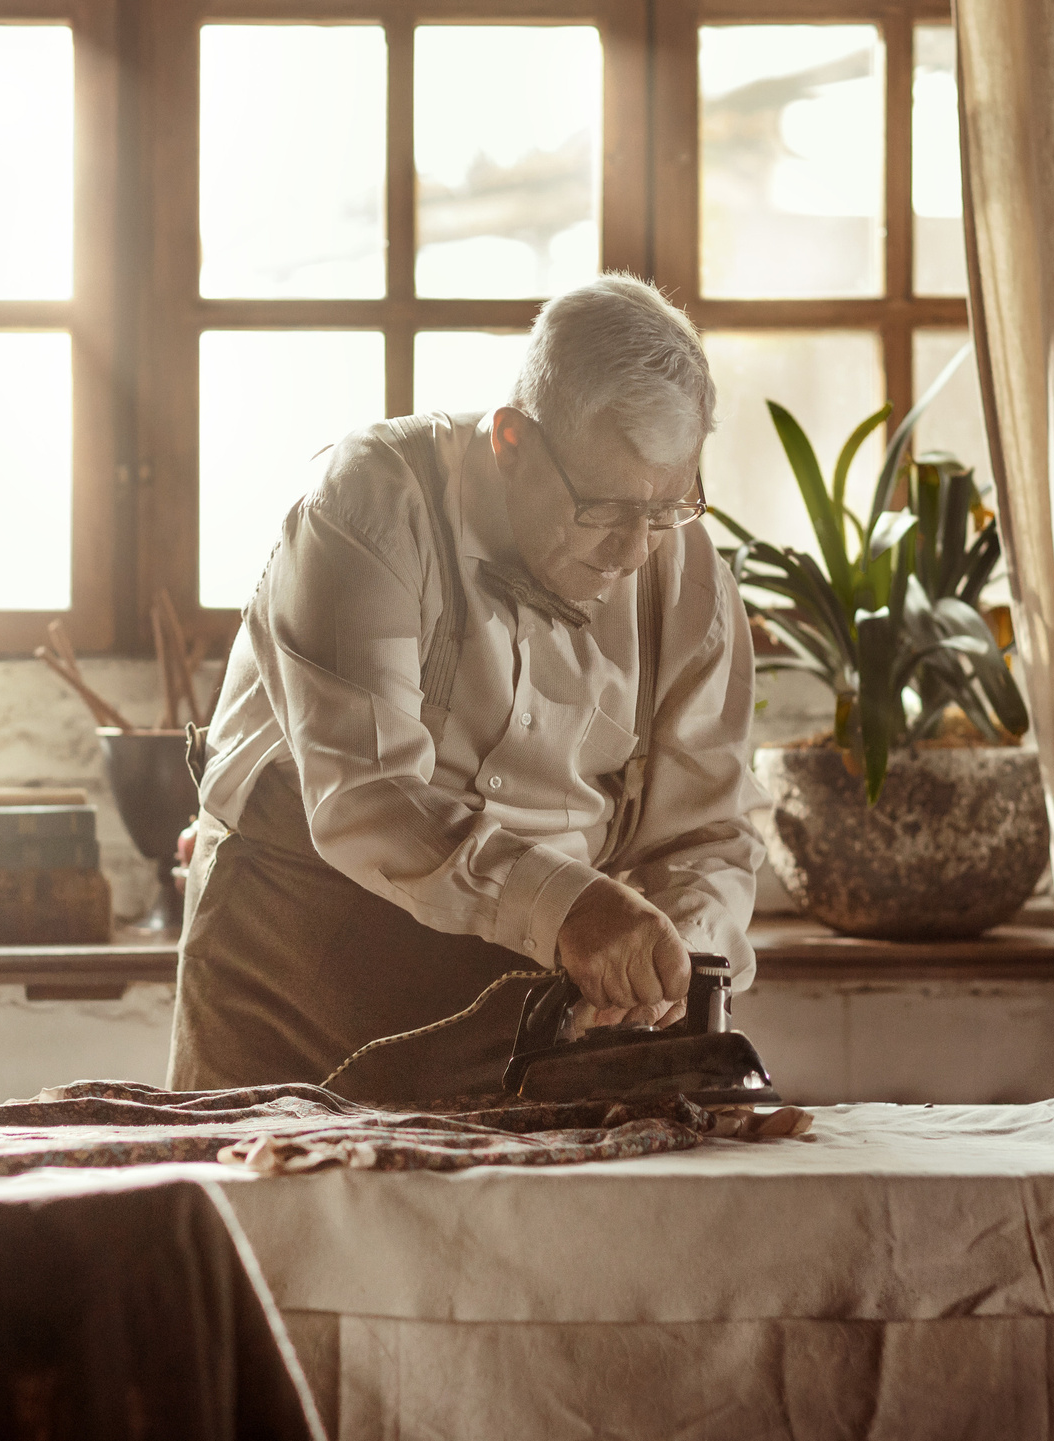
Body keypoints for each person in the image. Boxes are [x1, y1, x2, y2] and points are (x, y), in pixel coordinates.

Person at [169, 275, 765, 1099]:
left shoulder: (690, 586)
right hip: (293, 955)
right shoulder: (368, 504)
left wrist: (670, 966)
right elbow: (366, 792)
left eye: (668, 508)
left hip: (538, 996)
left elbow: (706, 837)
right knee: (260, 1218)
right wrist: (571, 908)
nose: (634, 551)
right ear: (512, 441)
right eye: (603, 508)